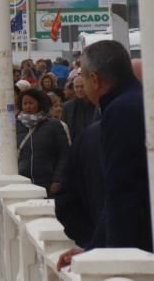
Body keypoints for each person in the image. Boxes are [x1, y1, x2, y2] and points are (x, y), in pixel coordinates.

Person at [58, 41, 152, 269]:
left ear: (95, 80)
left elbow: (122, 189)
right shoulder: (137, 102)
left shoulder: (120, 111)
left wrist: (106, 255)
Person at [55, 120, 104, 249]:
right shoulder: (91, 136)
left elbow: (67, 203)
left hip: (103, 243)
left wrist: (91, 243)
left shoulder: (89, 136)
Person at [16, 88, 69, 197]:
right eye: (25, 103)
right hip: (22, 183)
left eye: (31, 103)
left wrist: (57, 180)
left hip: (48, 184)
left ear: (39, 104)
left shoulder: (54, 125)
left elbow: (65, 153)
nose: (28, 106)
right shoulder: (15, 126)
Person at [61, 76, 97, 143]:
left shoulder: (97, 104)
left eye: (82, 86)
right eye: (77, 87)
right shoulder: (67, 107)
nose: (79, 90)